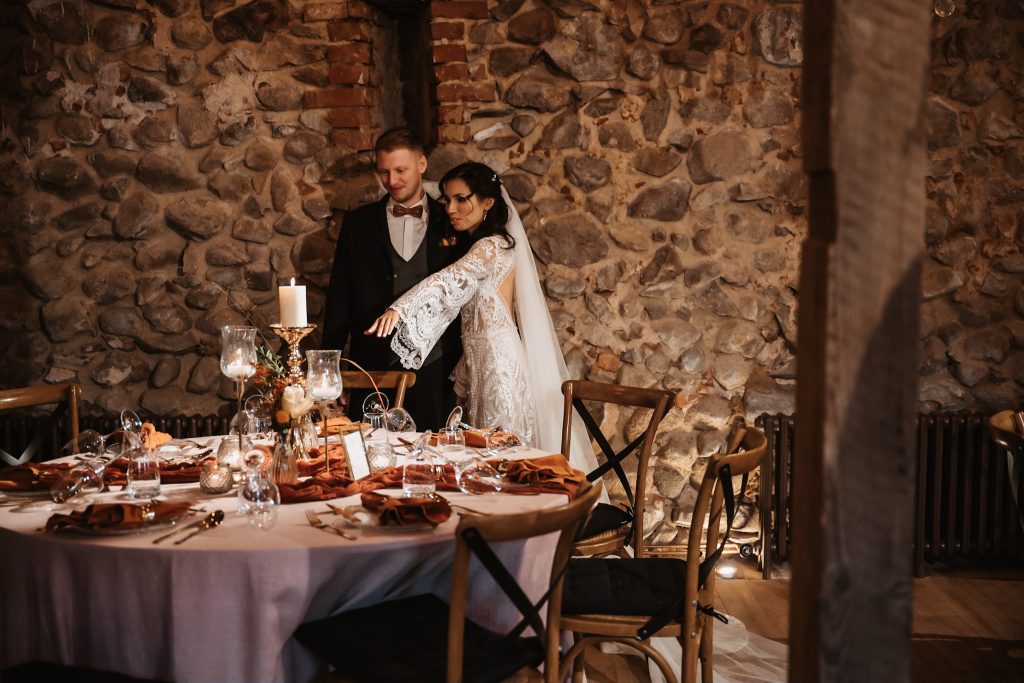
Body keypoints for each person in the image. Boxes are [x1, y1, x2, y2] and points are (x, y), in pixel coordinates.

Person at [366, 162, 598, 474]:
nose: (451, 209)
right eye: (448, 200)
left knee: (500, 455)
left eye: (462, 199)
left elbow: (452, 278)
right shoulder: (479, 244)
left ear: (488, 202)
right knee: (481, 453)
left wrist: (402, 309)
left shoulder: (492, 246)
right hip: (480, 362)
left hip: (497, 366)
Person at [322, 128, 463, 430]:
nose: (392, 181)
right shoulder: (358, 223)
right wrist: (329, 371)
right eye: (384, 172)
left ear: (421, 164)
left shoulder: (451, 220)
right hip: (372, 365)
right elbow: (339, 299)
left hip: (437, 364)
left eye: (401, 170)